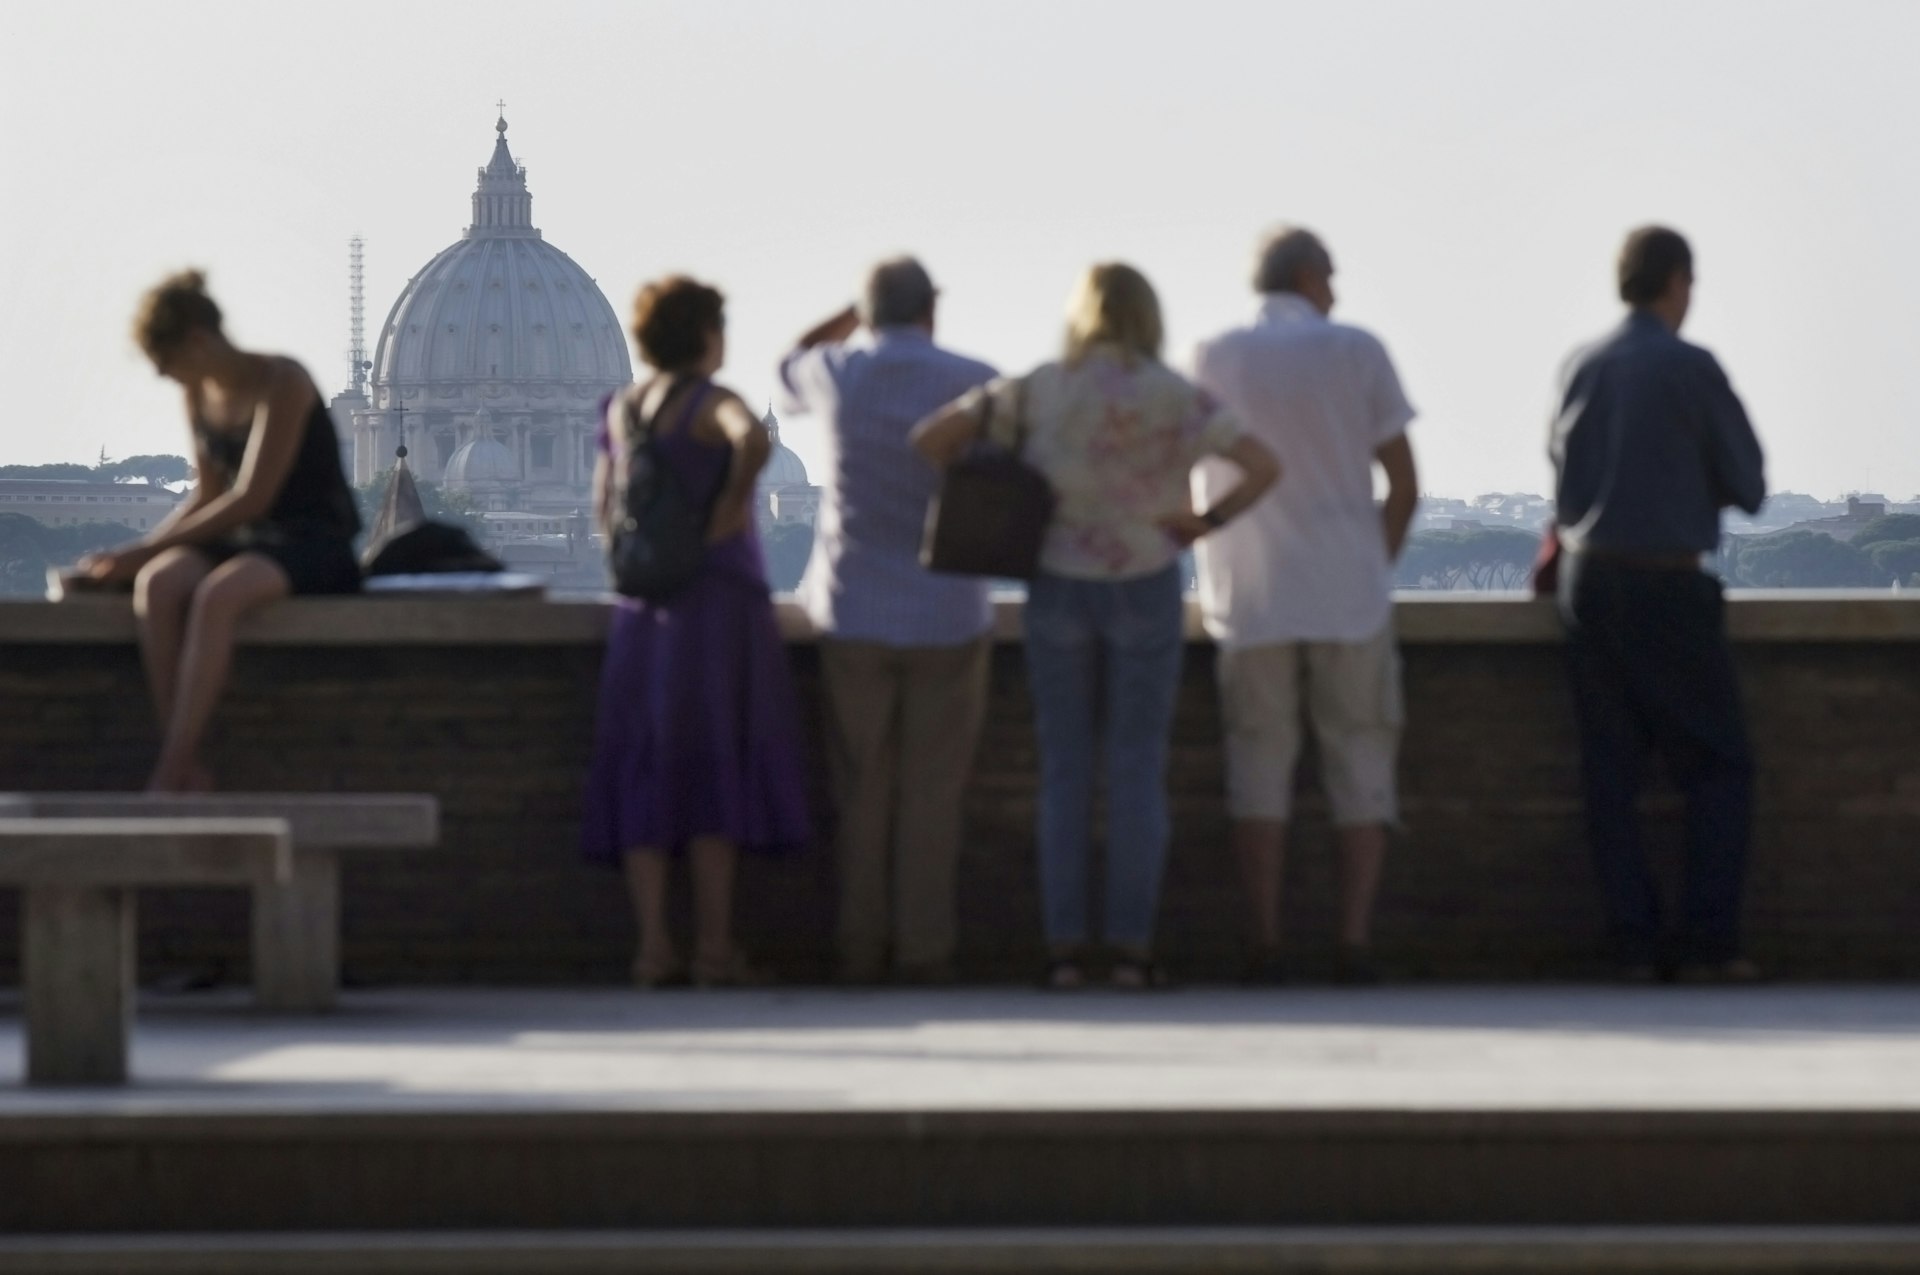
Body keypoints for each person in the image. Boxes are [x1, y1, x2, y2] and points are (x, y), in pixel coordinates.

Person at [913, 263, 1278, 989]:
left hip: (1058, 582)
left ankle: (1067, 949)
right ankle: (1133, 948)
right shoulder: (1173, 394)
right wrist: (1203, 523)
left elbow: (933, 437)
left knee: (1066, 770)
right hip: (1145, 579)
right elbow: (1263, 465)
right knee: (1138, 770)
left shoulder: (1043, 386)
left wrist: (1012, 480)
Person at [1191, 228, 1420, 985]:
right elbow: (1403, 483)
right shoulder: (1358, 350)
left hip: (1248, 594)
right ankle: (1353, 940)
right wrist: (1370, 564)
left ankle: (1264, 937)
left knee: (1258, 767)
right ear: (1309, 275)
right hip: (1347, 594)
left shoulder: (1212, 355)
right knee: (1361, 765)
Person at [581, 275, 811, 988]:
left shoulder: (622, 409)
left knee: (643, 770)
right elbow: (752, 442)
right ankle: (713, 949)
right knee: (716, 772)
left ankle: (653, 948)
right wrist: (731, 508)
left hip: (641, 612)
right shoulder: (716, 403)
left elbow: (602, 503)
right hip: (713, 608)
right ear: (706, 334)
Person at [1549, 226, 1766, 982]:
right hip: (1667, 583)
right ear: (1678, 281)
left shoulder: (1583, 365)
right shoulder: (1691, 368)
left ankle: (1633, 943)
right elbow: (1750, 484)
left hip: (1590, 586)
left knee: (1610, 773)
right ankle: (1707, 943)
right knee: (1718, 765)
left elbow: (1563, 482)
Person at [778, 258, 999, 985]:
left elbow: (787, 363)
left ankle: (859, 946)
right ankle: (924, 949)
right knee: (933, 795)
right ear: (932, 309)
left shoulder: (840, 373)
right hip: (949, 609)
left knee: (860, 792)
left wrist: (851, 316)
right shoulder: (976, 377)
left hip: (856, 609)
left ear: (869, 313)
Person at [77, 270, 361, 792]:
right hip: (245, 538)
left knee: (216, 596)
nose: (169, 379)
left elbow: (253, 496)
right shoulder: (198, 395)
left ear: (199, 342)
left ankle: (171, 769)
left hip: (310, 538)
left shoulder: (284, 381)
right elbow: (207, 495)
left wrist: (138, 551)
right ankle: (182, 754)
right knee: (159, 584)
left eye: (170, 366)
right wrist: (137, 558)